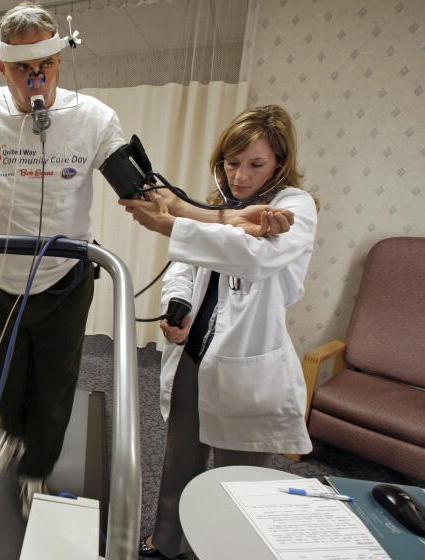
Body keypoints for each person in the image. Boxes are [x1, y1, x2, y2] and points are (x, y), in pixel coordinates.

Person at [0, 3, 289, 520]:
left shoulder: (93, 119)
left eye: (46, 63)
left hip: (65, 280)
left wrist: (228, 219)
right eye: (23, 67)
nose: (36, 77)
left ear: (61, 60)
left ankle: (36, 469)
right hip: (0, 279)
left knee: (53, 386)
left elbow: (149, 197)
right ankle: (12, 432)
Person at [119, 105, 317, 559]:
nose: (240, 177)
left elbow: (255, 257)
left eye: (255, 164)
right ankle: (167, 541)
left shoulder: (293, 209)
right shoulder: (220, 206)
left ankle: (223, 551)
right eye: (232, 163)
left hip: (246, 365)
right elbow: (186, 264)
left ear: (280, 162)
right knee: (180, 461)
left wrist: (175, 221)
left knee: (237, 479)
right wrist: (178, 303)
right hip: (194, 355)